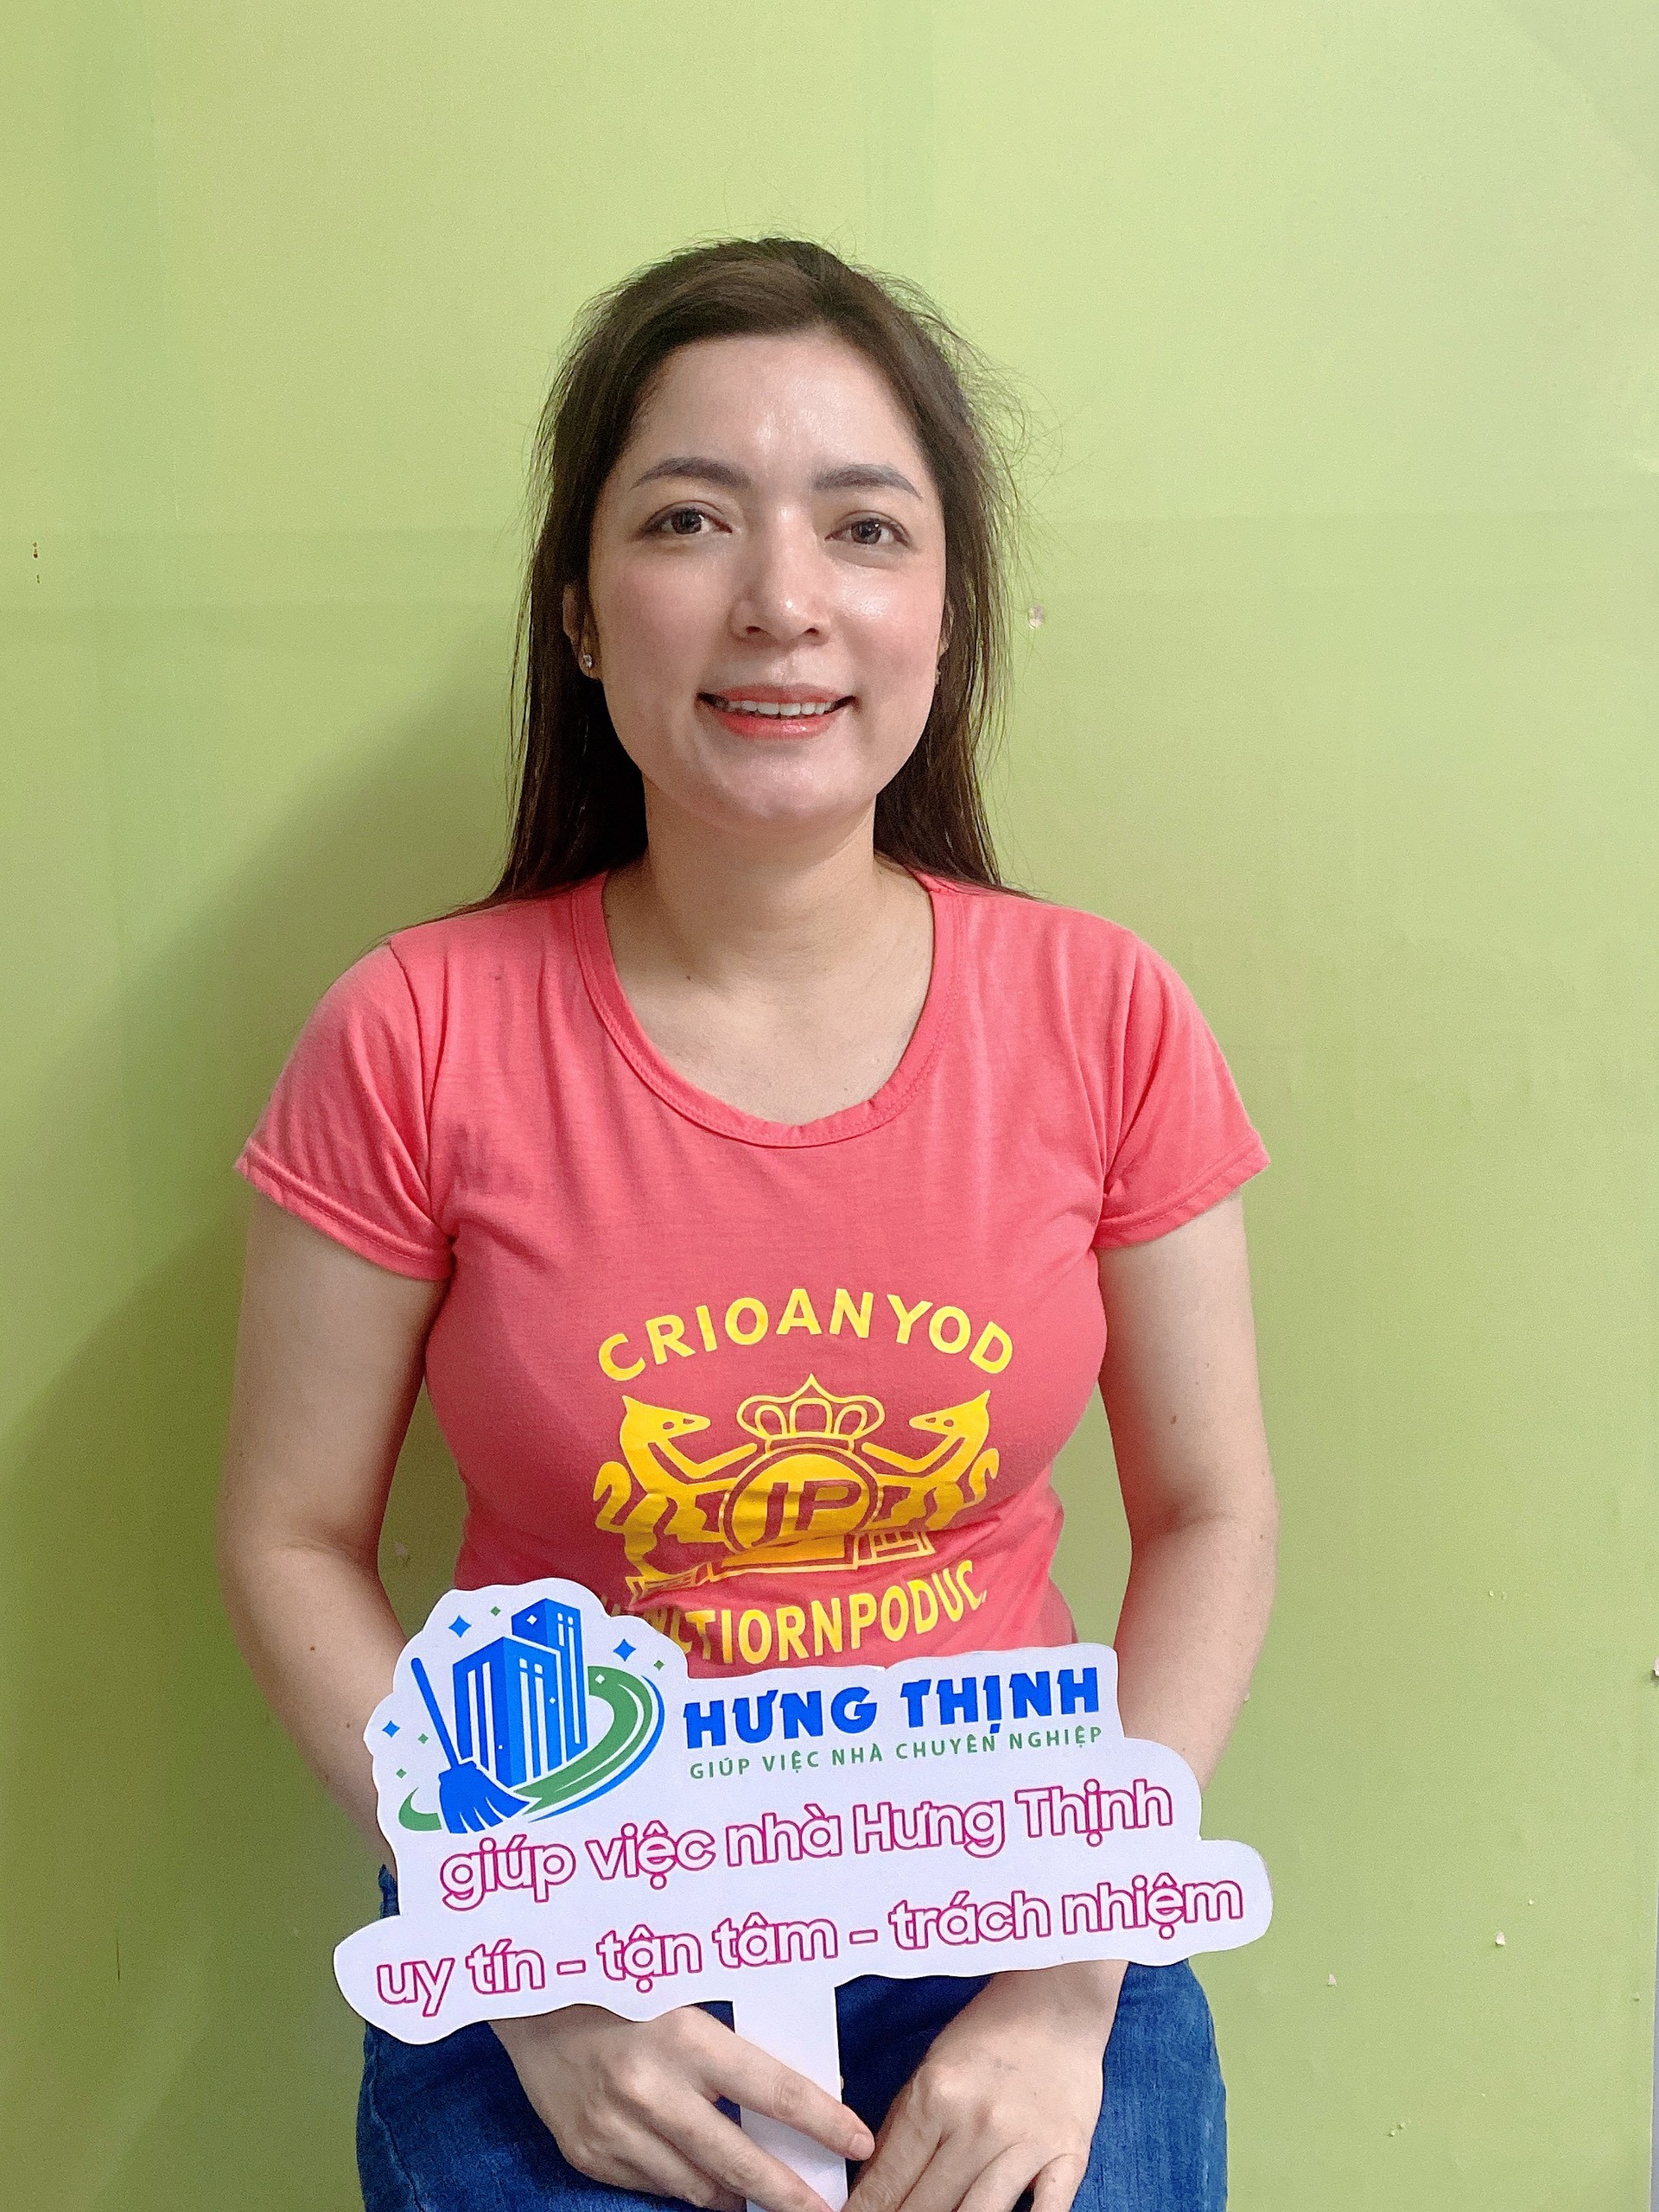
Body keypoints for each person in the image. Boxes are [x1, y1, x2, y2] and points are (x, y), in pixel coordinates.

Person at [217, 236, 1277, 2212]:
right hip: (569, 1908)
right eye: (689, 518)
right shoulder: (415, 1030)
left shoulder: (1104, 1011)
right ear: (579, 611)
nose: (783, 601)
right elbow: (288, 1535)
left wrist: (1070, 1980)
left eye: (864, 527)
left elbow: (1215, 1511)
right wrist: (529, 1958)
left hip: (1023, 1905)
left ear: (944, 611)